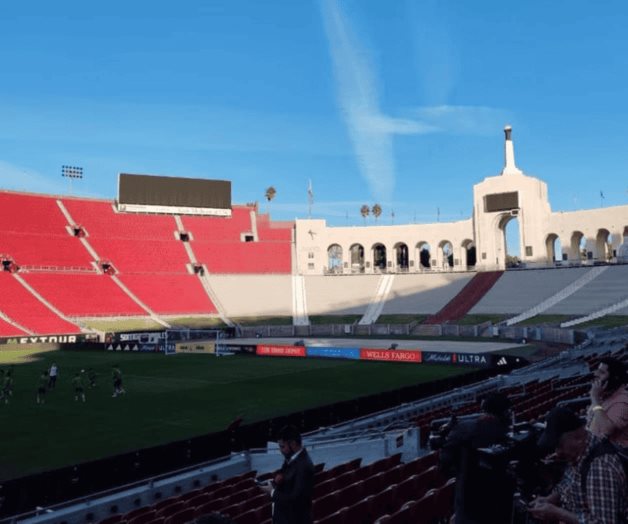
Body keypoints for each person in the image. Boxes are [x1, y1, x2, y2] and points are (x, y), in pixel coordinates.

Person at [529, 406, 627, 523]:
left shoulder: (600, 467)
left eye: (559, 445)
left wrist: (558, 514)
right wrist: (550, 499)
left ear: (578, 438)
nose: (557, 452)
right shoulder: (580, 452)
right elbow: (567, 483)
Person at [439, 392, 514, 524]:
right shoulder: (505, 431)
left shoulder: (465, 429)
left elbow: (445, 462)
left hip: (470, 501)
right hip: (499, 500)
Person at [260, 424, 314, 524]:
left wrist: (272, 492)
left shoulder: (303, 466)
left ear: (293, 444)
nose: (280, 450)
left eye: (282, 446)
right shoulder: (292, 458)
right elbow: (288, 477)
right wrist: (276, 481)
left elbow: (295, 500)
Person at [587, 357, 628, 448]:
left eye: (602, 372)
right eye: (597, 371)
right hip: (596, 447)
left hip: (614, 454)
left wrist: (595, 398)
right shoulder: (604, 396)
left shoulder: (623, 401)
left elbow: (607, 430)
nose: (595, 374)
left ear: (614, 378)